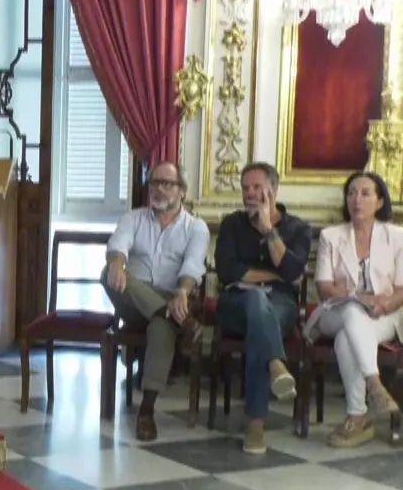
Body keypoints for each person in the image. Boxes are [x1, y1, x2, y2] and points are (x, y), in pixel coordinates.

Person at [102, 162, 209, 442]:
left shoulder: (196, 228)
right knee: (107, 272)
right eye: (154, 183)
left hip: (173, 296)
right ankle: (178, 320)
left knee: (161, 326)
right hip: (133, 298)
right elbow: (118, 245)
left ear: (182, 191)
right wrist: (116, 263)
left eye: (167, 184)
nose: (159, 189)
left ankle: (146, 411)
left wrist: (182, 292)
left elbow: (193, 267)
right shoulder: (133, 218)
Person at [305, 171, 403, 447]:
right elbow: (324, 288)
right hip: (335, 311)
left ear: (380, 202)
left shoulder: (399, 236)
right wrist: (356, 296)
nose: (357, 199)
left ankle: (357, 417)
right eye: (352, 193)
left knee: (347, 338)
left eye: (365, 194)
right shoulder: (331, 236)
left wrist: (384, 303)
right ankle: (375, 384)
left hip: (384, 314)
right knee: (352, 309)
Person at [213, 162, 313, 454]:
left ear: (274, 190)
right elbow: (228, 272)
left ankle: (255, 423)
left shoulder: (298, 228)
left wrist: (269, 230)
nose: (250, 194)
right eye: (245, 188)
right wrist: (276, 276)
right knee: (256, 302)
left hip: (281, 304)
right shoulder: (232, 224)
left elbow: (292, 271)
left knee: (261, 323)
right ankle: (275, 364)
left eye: (257, 187)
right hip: (236, 303)